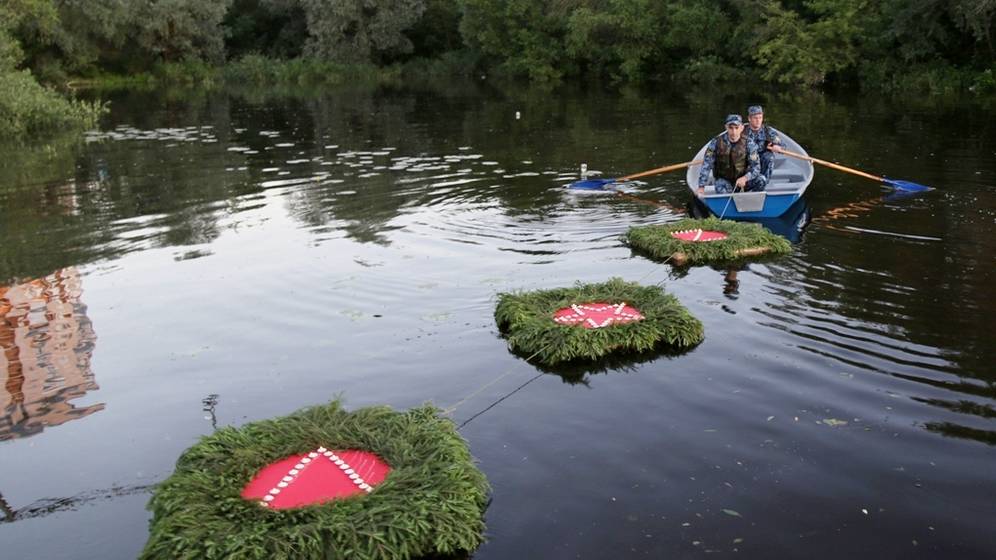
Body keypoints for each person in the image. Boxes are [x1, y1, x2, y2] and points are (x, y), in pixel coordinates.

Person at [697, 114, 761, 195]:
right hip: (725, 180)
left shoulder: (749, 143)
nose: (734, 132)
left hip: (743, 181)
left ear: (742, 128)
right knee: (720, 185)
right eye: (731, 128)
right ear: (726, 127)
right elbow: (706, 164)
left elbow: (756, 167)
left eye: (736, 128)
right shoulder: (716, 142)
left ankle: (750, 199)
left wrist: (745, 178)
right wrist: (701, 186)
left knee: (761, 180)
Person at [744, 105, 783, 191]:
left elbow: (782, 145)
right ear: (749, 118)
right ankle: (746, 184)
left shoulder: (767, 131)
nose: (758, 121)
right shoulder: (742, 131)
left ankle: (762, 183)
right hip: (747, 161)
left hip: (761, 159)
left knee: (769, 157)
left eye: (760, 118)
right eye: (755, 118)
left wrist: (778, 147)